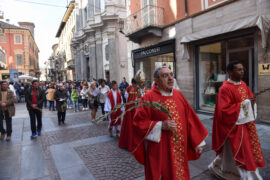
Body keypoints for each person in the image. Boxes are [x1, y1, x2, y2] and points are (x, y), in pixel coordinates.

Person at [132, 66, 208, 180]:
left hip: (179, 149)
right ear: (156, 80)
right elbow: (138, 123)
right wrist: (160, 125)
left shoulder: (178, 95)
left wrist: (197, 142)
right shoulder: (148, 98)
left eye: (171, 75)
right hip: (160, 151)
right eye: (165, 75)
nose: (170, 78)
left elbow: (190, 119)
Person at [208, 61, 265, 180]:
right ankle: (236, 174)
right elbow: (224, 110)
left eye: (242, 69)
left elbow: (250, 98)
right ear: (230, 72)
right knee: (237, 151)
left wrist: (251, 101)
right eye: (239, 69)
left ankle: (231, 170)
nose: (242, 71)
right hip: (234, 126)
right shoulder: (225, 88)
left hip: (246, 123)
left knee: (247, 149)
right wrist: (246, 103)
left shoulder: (243, 84)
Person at [119, 78, 138, 151]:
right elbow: (126, 97)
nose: (135, 85)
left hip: (135, 107)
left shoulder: (136, 88)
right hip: (130, 108)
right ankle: (129, 142)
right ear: (133, 83)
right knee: (129, 124)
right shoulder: (128, 88)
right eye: (135, 83)